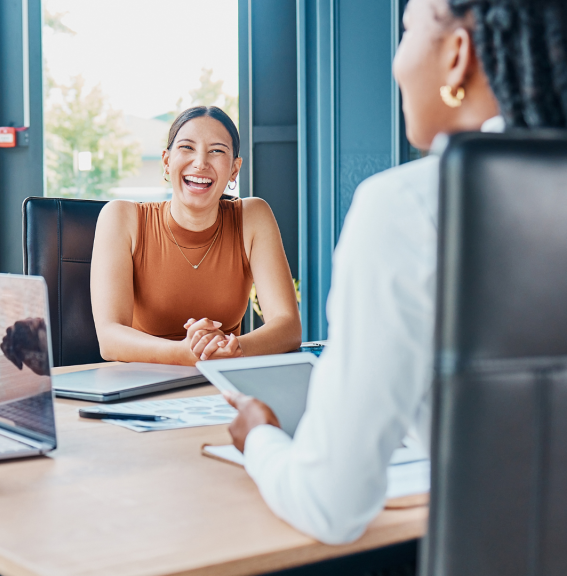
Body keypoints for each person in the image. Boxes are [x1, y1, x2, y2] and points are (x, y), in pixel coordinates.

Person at [224, 0, 567, 545]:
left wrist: (260, 438)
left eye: (406, 30)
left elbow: (330, 505)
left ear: (458, 55)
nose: (396, 62)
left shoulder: (411, 207)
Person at [90, 106, 301, 365]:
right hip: (138, 386)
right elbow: (109, 339)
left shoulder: (253, 216)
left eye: (216, 151)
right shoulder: (120, 218)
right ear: (167, 161)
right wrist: (186, 352)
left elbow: (288, 327)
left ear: (235, 169)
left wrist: (231, 348)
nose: (200, 163)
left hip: (221, 386)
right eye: (187, 148)